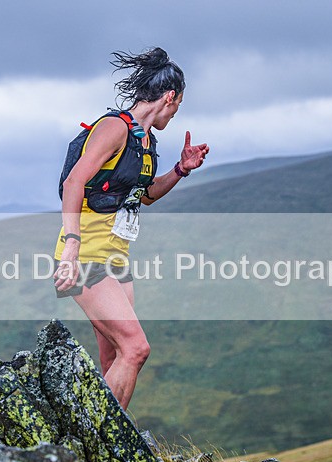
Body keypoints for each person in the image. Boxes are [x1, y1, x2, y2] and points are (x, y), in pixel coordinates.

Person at [53, 47, 209, 409]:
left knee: (116, 359)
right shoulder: (113, 127)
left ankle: (104, 451)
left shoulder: (146, 140)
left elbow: (146, 195)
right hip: (86, 254)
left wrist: (181, 170)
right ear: (170, 97)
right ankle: (103, 436)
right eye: (179, 105)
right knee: (137, 348)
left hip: (116, 258)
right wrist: (72, 247)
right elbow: (74, 183)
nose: (176, 112)